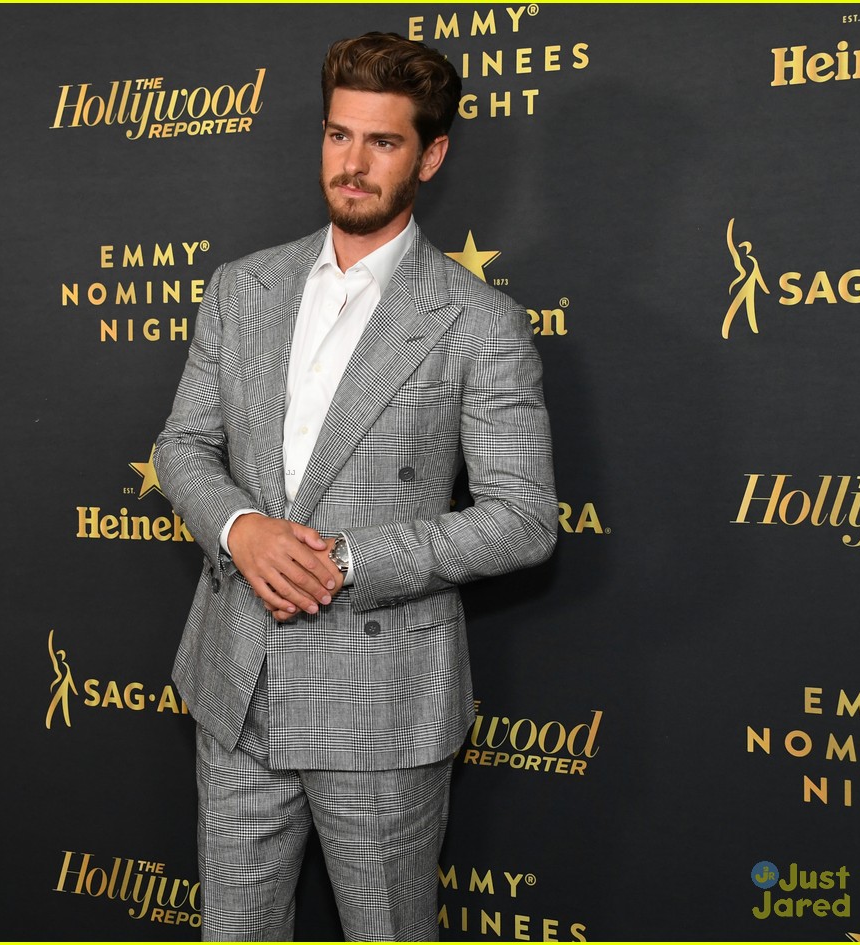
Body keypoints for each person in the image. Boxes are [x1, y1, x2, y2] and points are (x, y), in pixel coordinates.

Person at [154, 31, 556, 942]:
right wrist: (240, 528)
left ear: (431, 155)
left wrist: (348, 558)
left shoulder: (478, 323)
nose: (354, 164)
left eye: (383, 142)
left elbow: (526, 518)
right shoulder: (242, 288)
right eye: (340, 136)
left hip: (380, 702)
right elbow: (183, 445)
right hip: (238, 686)